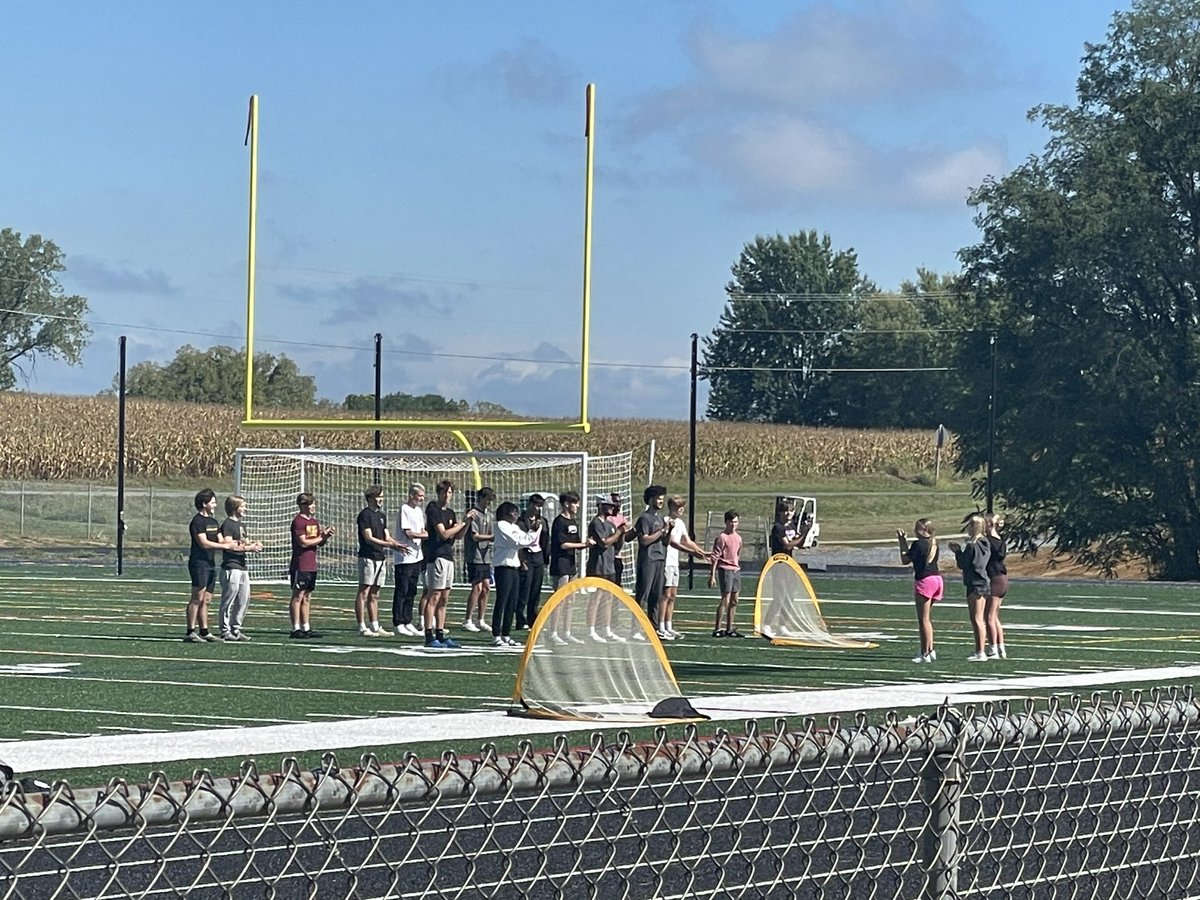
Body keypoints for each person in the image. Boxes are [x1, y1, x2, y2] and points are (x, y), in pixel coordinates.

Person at [424, 480, 469, 648]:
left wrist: (466, 522)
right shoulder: (433, 509)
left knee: (444, 598)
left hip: (449, 556)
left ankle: (440, 633)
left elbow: (457, 536)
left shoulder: (450, 512)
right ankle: (429, 635)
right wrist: (461, 524)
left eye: (449, 492)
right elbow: (443, 534)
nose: (446, 496)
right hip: (437, 556)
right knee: (434, 596)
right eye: (444, 492)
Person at [491, 501, 542, 647]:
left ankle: (506, 634)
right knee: (502, 600)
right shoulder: (501, 525)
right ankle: (496, 634)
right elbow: (516, 542)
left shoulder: (515, 527)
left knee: (512, 601)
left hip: (514, 566)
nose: (516, 515)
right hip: (503, 566)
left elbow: (527, 540)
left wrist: (534, 530)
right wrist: (530, 534)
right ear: (506, 513)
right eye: (514, 512)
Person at [355, 485, 403, 637]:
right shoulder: (365, 515)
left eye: (382, 496)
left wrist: (396, 545)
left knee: (375, 593)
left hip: (380, 557)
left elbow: (386, 536)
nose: (381, 499)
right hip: (367, 557)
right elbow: (369, 538)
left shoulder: (382, 515)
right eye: (378, 496)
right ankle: (362, 626)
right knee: (364, 591)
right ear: (371, 498)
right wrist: (388, 544)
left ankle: (375, 625)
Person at [896, 518, 943, 664]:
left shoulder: (918, 544)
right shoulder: (934, 543)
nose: (914, 531)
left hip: (925, 581)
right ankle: (930, 649)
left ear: (924, 530)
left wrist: (902, 542)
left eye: (917, 528)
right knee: (927, 619)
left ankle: (925, 652)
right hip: (937, 580)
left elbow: (905, 560)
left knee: (923, 620)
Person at [217, 494, 263, 642]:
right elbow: (229, 545)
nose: (245, 509)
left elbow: (245, 543)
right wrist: (249, 548)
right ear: (234, 508)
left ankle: (235, 628)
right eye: (242, 506)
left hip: (242, 567)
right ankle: (225, 630)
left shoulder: (242, 525)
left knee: (244, 598)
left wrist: (254, 545)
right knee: (228, 599)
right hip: (231, 567)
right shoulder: (228, 524)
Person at [662, 495, 708, 640]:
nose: (681, 509)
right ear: (671, 507)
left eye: (682, 506)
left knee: (673, 596)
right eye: (678, 506)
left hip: (675, 563)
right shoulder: (665, 521)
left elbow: (687, 541)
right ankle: (661, 626)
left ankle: (669, 625)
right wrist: (692, 553)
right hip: (666, 562)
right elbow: (672, 542)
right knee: (665, 595)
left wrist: (702, 552)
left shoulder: (680, 523)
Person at [288, 492, 333, 639]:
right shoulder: (298, 521)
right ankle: (296, 628)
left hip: (311, 564)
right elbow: (303, 542)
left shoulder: (314, 522)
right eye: (310, 504)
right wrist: (321, 537)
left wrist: (325, 536)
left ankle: (306, 627)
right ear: (303, 505)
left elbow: (319, 542)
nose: (313, 507)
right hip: (300, 564)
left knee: (307, 596)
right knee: (298, 596)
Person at [547, 491, 590, 644]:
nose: (577, 506)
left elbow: (577, 543)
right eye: (575, 503)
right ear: (566, 504)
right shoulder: (559, 522)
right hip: (561, 565)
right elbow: (563, 544)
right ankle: (553, 632)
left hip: (572, 565)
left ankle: (566, 631)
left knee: (570, 600)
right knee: (559, 599)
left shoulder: (573, 522)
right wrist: (583, 544)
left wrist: (587, 544)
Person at [949, 514, 992, 661]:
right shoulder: (985, 543)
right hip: (982, 582)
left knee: (977, 619)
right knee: (978, 618)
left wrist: (957, 551)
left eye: (970, 525)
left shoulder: (973, 545)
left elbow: (964, 563)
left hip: (976, 583)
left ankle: (980, 652)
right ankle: (980, 650)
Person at [185, 488, 225, 643]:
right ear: (204, 503)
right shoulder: (197, 522)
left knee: (207, 599)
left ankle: (205, 631)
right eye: (213, 502)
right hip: (199, 564)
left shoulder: (214, 522)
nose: (215, 505)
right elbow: (204, 543)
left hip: (210, 564)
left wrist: (242, 545)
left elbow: (222, 541)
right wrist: (225, 547)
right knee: (197, 597)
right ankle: (190, 632)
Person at [586, 494, 626, 642]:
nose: (612, 508)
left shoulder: (610, 524)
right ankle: (591, 629)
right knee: (596, 597)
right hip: (598, 566)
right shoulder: (596, 523)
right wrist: (618, 533)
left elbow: (616, 547)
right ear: (601, 506)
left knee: (608, 598)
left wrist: (621, 534)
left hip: (609, 566)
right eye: (608, 505)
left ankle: (606, 629)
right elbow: (604, 543)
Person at [392, 482, 427, 637]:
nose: (421, 499)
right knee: (402, 589)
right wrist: (425, 535)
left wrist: (425, 534)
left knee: (412, 590)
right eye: (419, 496)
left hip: (417, 555)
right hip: (405, 556)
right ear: (412, 495)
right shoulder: (404, 509)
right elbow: (409, 532)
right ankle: (398, 621)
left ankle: (407, 620)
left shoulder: (419, 511)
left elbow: (421, 530)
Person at [634, 485, 672, 631]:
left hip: (660, 559)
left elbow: (665, 542)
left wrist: (669, 531)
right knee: (643, 593)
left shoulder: (661, 518)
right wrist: (660, 531)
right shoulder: (644, 518)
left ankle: (653, 627)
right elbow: (644, 540)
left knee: (656, 596)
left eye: (662, 497)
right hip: (648, 560)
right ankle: (636, 628)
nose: (660, 500)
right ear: (650, 499)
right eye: (657, 497)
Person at [463, 487, 496, 633]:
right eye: (487, 499)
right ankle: (468, 619)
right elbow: (475, 536)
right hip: (475, 556)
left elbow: (491, 532)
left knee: (486, 587)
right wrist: (491, 538)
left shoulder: (489, 515)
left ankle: (481, 619)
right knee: (476, 588)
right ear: (481, 498)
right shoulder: (474, 514)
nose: (488, 503)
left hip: (486, 556)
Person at [708, 510, 744, 637]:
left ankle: (730, 628)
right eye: (731, 522)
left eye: (735, 522)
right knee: (725, 599)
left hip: (735, 569)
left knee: (735, 600)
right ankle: (717, 628)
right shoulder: (722, 538)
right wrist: (712, 575)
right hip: (725, 569)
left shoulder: (738, 538)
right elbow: (715, 557)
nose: (733, 525)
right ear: (726, 522)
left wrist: (737, 567)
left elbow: (738, 554)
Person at [515, 494, 549, 629]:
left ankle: (532, 619)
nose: (537, 509)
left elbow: (545, 539)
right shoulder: (521, 522)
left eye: (540, 506)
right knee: (524, 590)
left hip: (538, 556)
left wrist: (546, 558)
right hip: (526, 556)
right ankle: (519, 619)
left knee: (536, 590)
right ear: (529, 504)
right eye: (535, 505)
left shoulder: (543, 521)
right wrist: (522, 561)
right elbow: (520, 541)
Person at [984, 513, 1009, 660]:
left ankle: (993, 648)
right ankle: (1000, 648)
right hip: (1002, 578)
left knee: (989, 617)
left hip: (994, 578)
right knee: (994, 617)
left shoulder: (988, 541)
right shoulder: (1000, 540)